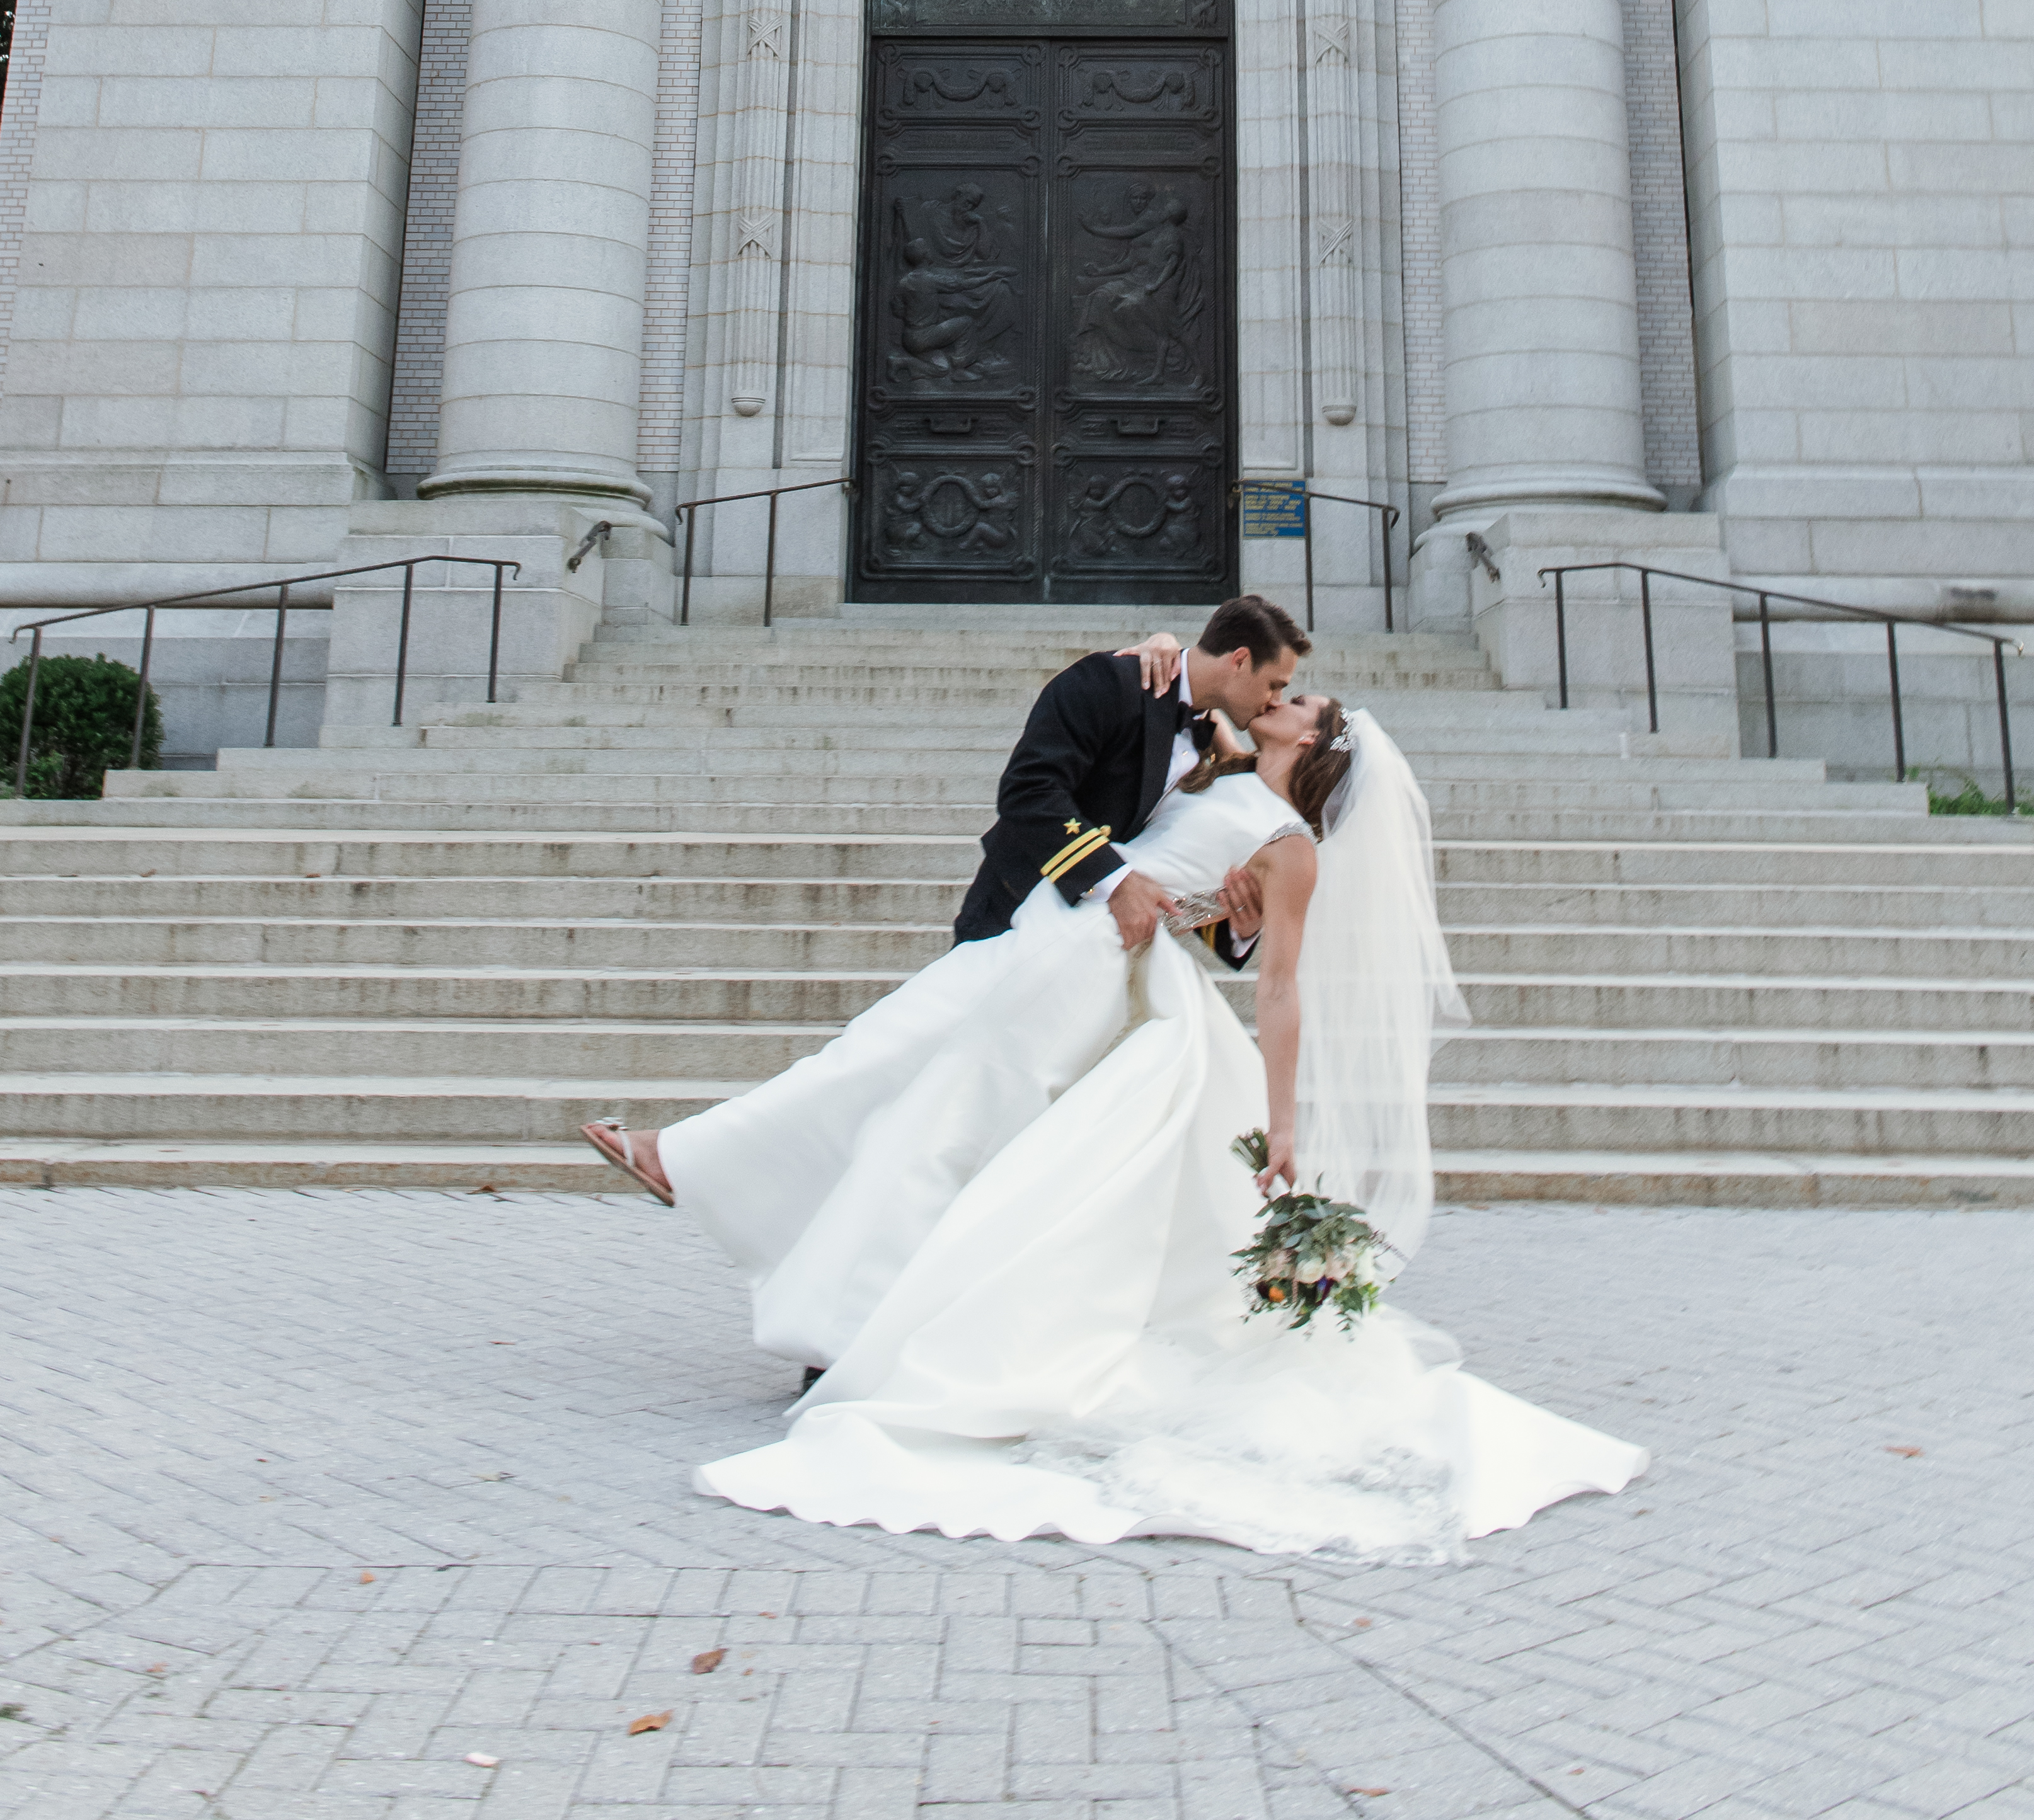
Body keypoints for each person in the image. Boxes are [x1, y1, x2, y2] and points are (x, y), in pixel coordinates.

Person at [579, 624, 1648, 1562]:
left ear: (1314, 745)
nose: (1282, 701)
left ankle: (764, 1237)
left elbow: (1278, 991)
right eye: (1280, 689)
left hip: (1087, 975)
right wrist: (1158, 647)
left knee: (929, 1115)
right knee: (889, 1066)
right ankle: (732, 1200)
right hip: (1053, 937)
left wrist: (1282, 1122)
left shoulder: (1293, 848)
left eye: (1300, 704)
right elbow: (1179, 719)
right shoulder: (1220, 759)